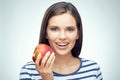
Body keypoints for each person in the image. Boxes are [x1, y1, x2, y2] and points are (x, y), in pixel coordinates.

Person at [19, 1, 103, 80]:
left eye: (70, 29)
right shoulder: (29, 71)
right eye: (54, 29)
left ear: (78, 34)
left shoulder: (93, 69)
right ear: (45, 33)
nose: (62, 37)